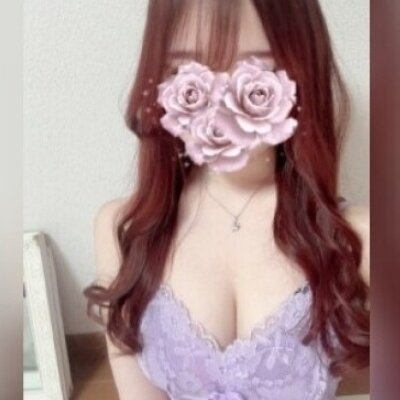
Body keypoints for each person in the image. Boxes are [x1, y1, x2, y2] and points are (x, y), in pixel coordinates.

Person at [84, 0, 370, 399]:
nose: (223, 107)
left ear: (302, 72)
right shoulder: (124, 230)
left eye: (258, 69)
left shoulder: (361, 237)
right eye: (187, 71)